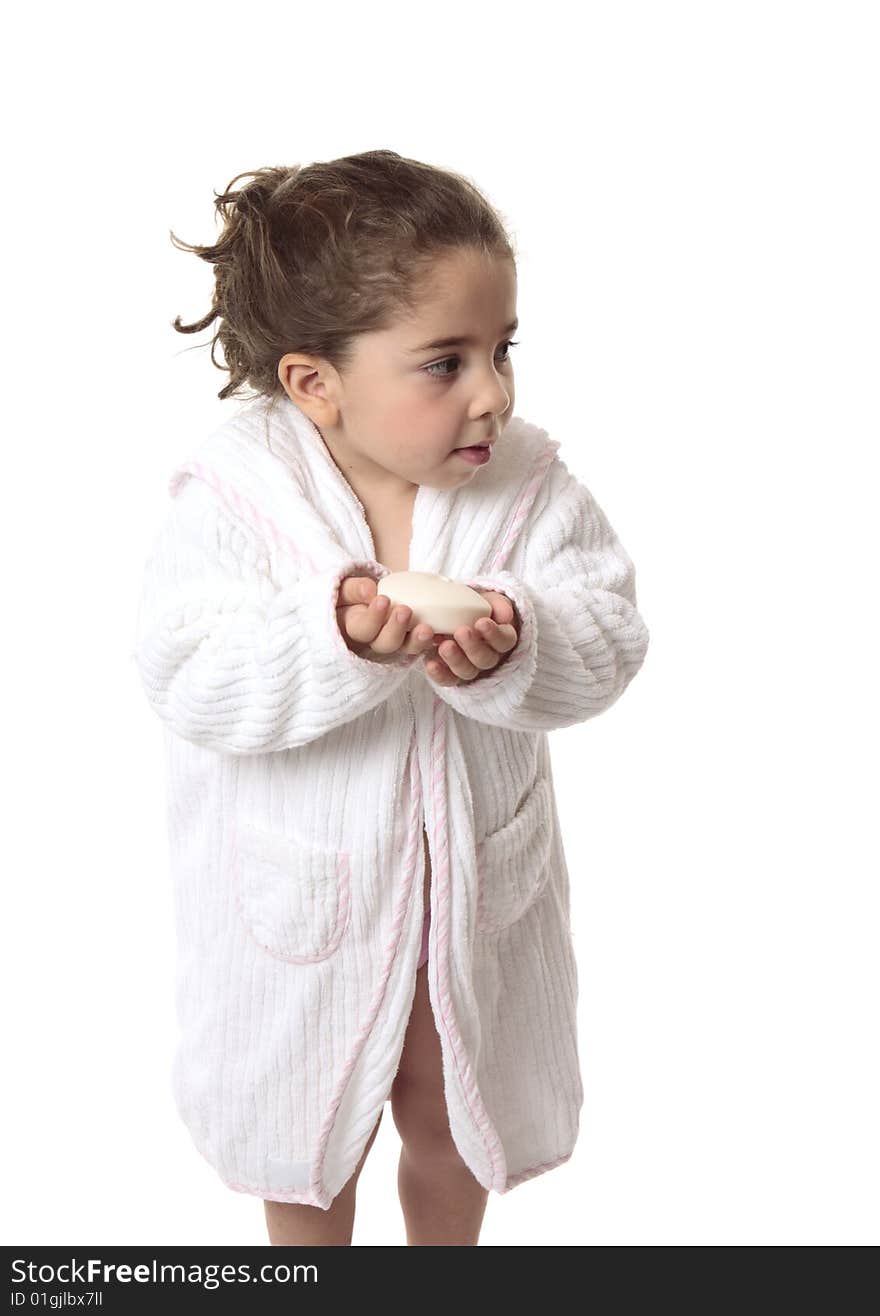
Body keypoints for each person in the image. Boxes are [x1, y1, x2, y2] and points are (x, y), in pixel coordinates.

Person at [132, 149, 651, 1246]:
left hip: (471, 896)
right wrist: (331, 640)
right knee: (311, 1135)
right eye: (445, 362)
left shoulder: (528, 486)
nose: (493, 393)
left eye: (501, 349)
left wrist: (519, 641)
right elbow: (189, 674)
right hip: (307, 901)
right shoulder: (236, 499)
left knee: (450, 1108)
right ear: (317, 383)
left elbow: (607, 635)